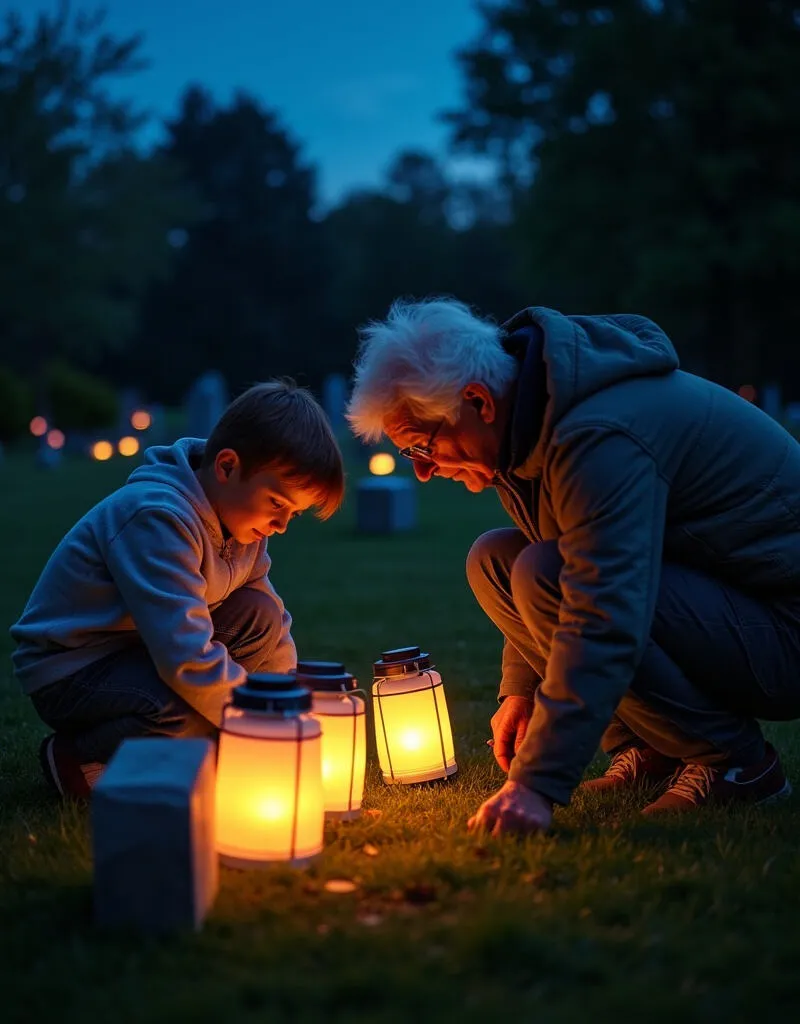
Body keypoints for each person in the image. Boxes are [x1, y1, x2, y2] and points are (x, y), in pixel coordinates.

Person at [346, 298, 800, 835]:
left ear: (477, 401)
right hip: (725, 601)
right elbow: (564, 547)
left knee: (544, 574)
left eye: (422, 445)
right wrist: (519, 689)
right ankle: (650, 748)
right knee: (495, 559)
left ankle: (739, 766)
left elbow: (603, 612)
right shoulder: (534, 422)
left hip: (783, 627)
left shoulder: (600, 433)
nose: (421, 472)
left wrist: (535, 784)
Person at [11, 380, 344, 799]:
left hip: (140, 649)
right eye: (277, 503)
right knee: (182, 711)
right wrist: (256, 718)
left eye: (293, 513)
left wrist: (290, 701)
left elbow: (270, 623)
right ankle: (79, 761)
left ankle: (223, 745)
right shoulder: (156, 518)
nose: (281, 525)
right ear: (226, 467)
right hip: (73, 666)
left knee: (259, 612)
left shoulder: (243, 526)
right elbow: (184, 658)